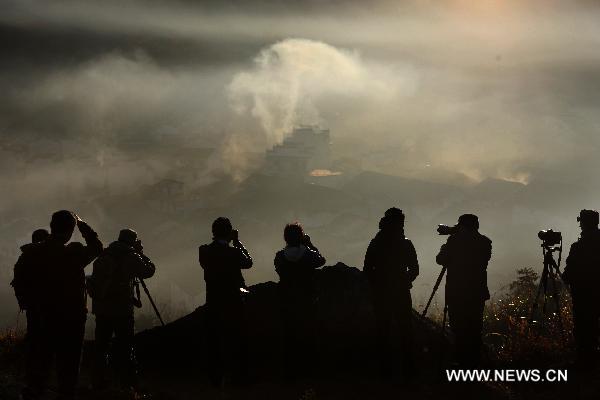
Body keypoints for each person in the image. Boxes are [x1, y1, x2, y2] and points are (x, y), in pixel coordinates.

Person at [13, 211, 102, 400]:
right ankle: (65, 394)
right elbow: (96, 247)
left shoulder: (31, 252)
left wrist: (27, 302)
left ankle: (34, 390)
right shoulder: (73, 254)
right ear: (70, 231)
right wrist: (83, 225)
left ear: (52, 226)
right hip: (72, 317)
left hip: (41, 314)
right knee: (69, 363)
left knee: (40, 357)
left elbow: (19, 279)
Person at [89, 228, 156, 392]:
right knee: (125, 346)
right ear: (132, 241)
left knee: (101, 346)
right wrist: (141, 253)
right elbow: (149, 270)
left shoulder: (105, 254)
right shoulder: (132, 256)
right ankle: (127, 383)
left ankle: (99, 381)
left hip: (102, 308)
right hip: (122, 310)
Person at [364, 207, 419, 379]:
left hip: (381, 292)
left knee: (382, 330)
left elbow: (367, 269)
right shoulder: (406, 243)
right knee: (405, 330)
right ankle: (408, 370)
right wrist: (405, 280)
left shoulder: (376, 243)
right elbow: (415, 269)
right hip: (401, 292)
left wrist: (377, 283)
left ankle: (384, 370)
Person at [198, 217, 253, 387]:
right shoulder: (234, 253)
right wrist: (237, 242)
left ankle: (215, 378)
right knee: (236, 341)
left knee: (213, 342)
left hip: (213, 301)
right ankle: (238, 378)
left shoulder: (204, 251)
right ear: (229, 232)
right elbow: (248, 263)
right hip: (233, 303)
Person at [436, 214, 492, 368]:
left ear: (463, 227)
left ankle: (461, 363)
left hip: (457, 292)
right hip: (477, 293)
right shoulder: (486, 242)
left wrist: (445, 246)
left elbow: (441, 260)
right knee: (474, 328)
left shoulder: (454, 241)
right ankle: (474, 363)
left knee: (459, 328)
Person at [274, 222, 326, 378]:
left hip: (288, 301)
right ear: (301, 237)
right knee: (310, 335)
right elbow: (321, 260)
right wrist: (309, 244)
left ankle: (290, 372)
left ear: (285, 238)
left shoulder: (280, 257)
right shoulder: (308, 254)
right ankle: (311, 371)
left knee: (289, 337)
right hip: (307, 300)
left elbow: (278, 269)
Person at [562, 209, 600, 369]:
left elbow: (568, 274)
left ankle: (585, 360)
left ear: (584, 224)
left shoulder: (579, 246)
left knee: (584, 326)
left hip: (583, 294)